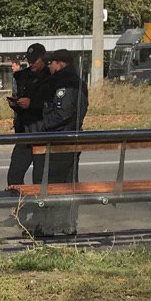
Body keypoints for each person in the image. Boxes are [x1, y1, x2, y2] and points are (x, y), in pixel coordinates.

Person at [21, 49, 89, 236]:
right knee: (68, 184)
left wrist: (39, 127)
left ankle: (49, 227)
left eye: (51, 63)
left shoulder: (66, 85)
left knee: (52, 184)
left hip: (61, 140)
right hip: (70, 139)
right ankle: (67, 225)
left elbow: (62, 113)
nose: (49, 66)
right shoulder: (75, 82)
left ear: (60, 63)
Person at [5, 43, 54, 187]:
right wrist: (16, 104)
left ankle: (40, 207)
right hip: (24, 131)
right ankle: (18, 205)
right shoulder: (22, 76)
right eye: (29, 60)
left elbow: (52, 104)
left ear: (43, 58)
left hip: (41, 130)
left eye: (35, 60)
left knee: (39, 176)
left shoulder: (51, 77)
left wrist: (32, 104)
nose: (31, 63)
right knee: (14, 174)